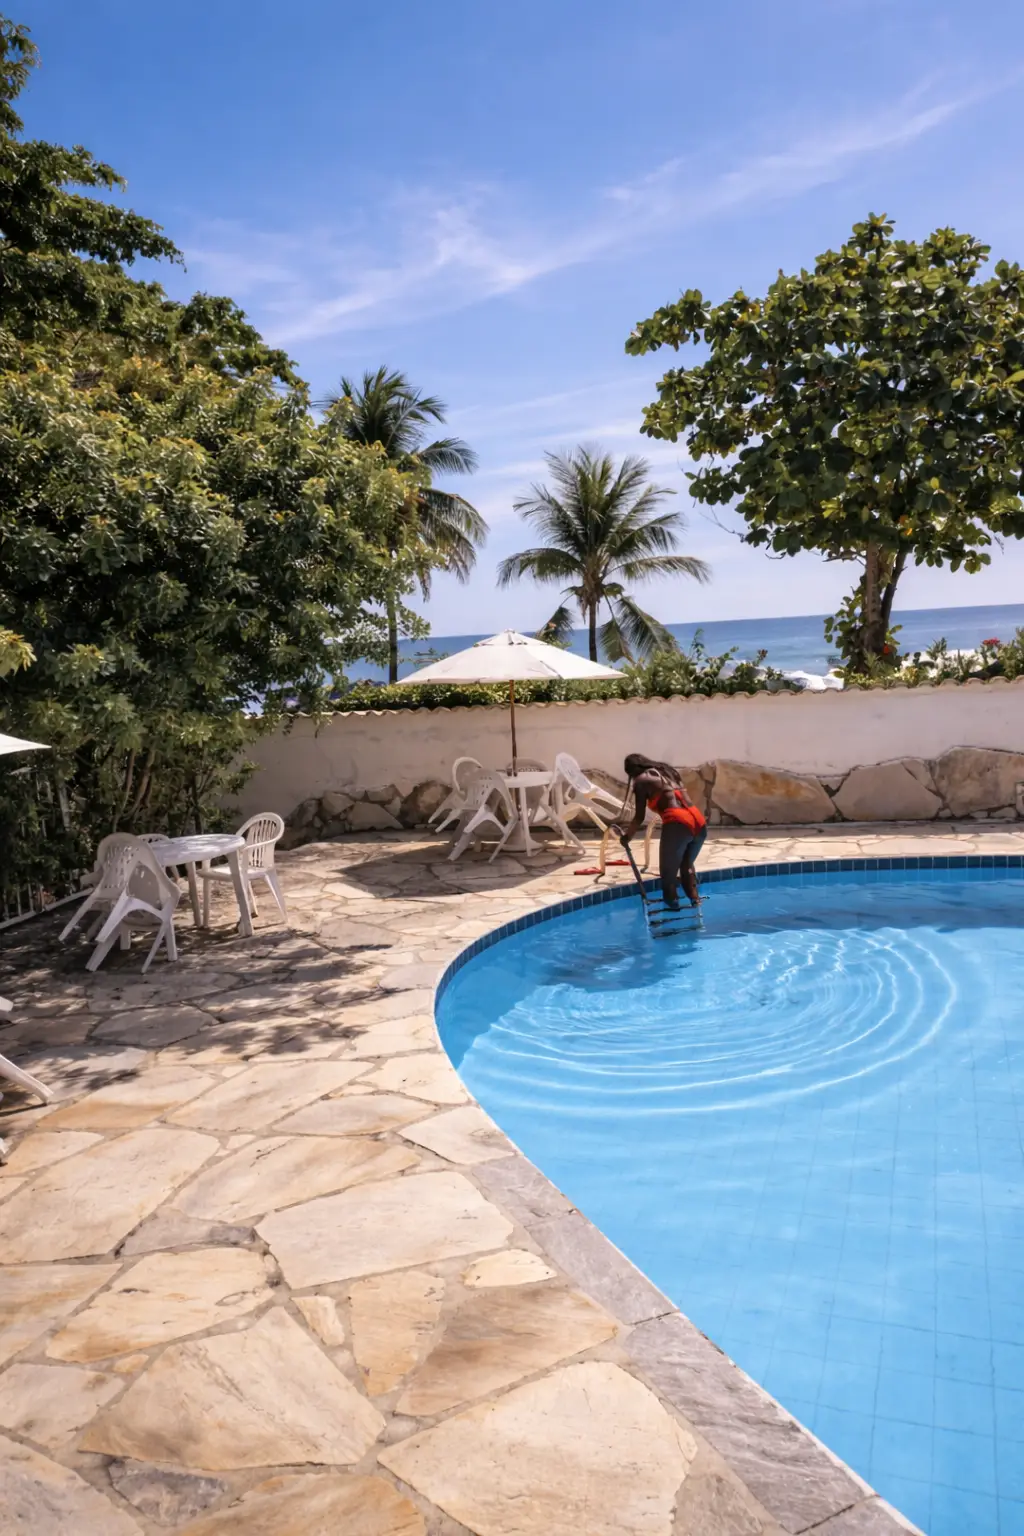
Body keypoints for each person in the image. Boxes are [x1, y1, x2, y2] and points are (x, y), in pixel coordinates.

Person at [616, 752, 707, 909]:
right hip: (698, 820)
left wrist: (627, 837)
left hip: (678, 821)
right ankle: (695, 901)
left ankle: (672, 910)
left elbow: (639, 817)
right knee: (686, 865)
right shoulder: (668, 772)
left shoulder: (641, 781)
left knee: (668, 874)